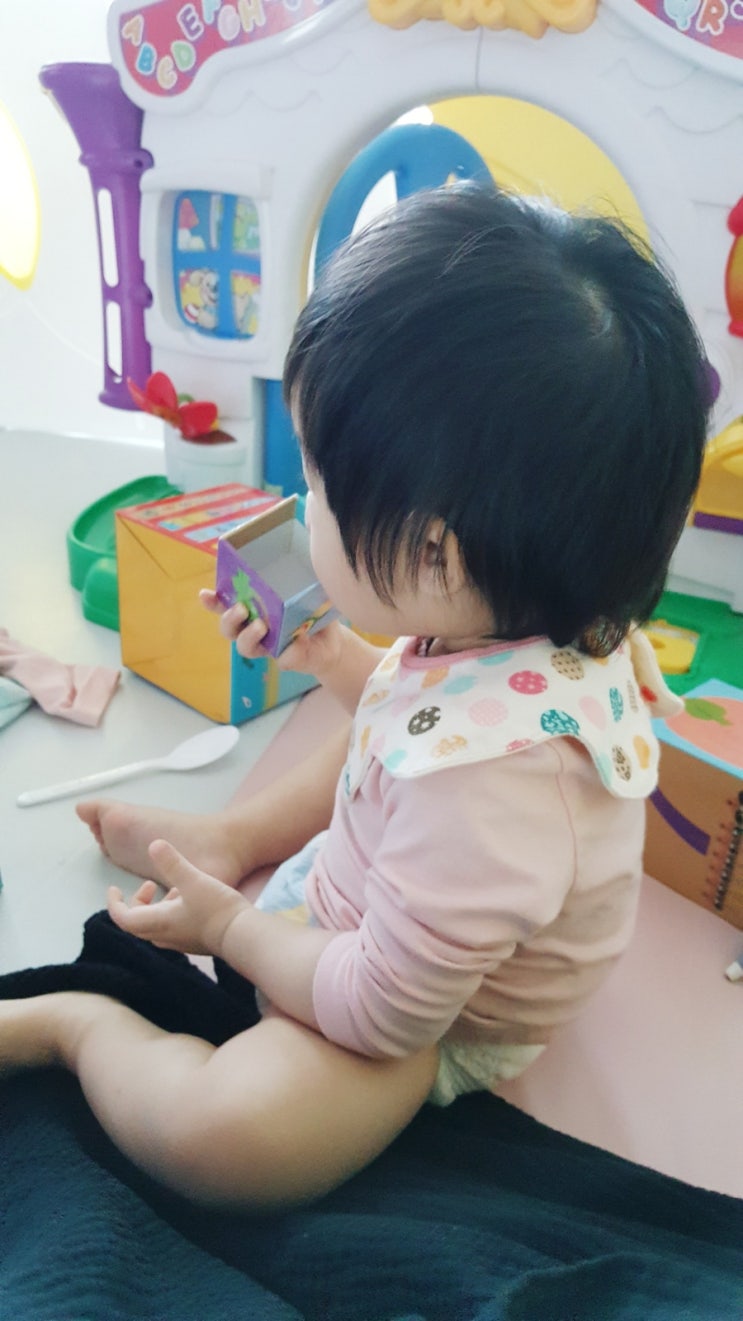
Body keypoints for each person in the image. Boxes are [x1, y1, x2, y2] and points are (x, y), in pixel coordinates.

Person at [0, 184, 709, 1209]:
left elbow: (380, 1013)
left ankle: (74, 1028)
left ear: (434, 555)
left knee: (230, 1144)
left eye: (321, 485)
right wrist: (329, 652)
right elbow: (409, 708)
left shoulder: (489, 801)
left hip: (428, 1009)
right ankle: (235, 837)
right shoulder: (538, 608)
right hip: (410, 873)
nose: (301, 504)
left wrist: (231, 933)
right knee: (382, 729)